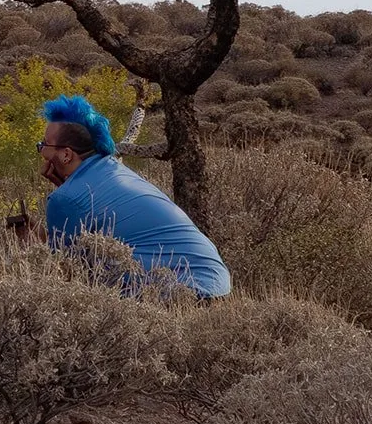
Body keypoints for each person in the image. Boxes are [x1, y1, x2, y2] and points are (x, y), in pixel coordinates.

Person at [38, 94, 230, 299]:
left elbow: (63, 272)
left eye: (43, 146)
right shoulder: (115, 170)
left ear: (66, 155)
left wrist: (33, 242)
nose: (41, 152)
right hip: (218, 284)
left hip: (181, 296)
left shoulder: (67, 199)